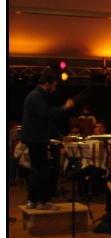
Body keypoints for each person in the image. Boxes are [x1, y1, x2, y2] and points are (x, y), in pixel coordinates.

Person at [18, 73, 74, 210]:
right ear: (47, 84)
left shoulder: (35, 96)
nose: (54, 90)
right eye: (53, 86)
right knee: (41, 171)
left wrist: (60, 136)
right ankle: (43, 201)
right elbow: (47, 114)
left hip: (34, 138)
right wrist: (65, 107)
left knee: (35, 170)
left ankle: (32, 200)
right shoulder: (37, 96)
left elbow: (45, 121)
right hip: (36, 138)